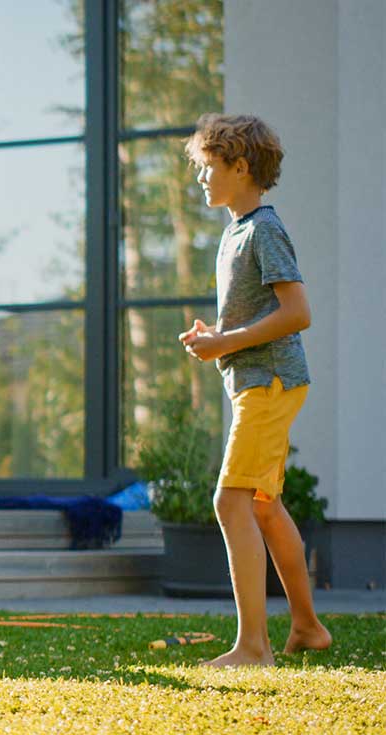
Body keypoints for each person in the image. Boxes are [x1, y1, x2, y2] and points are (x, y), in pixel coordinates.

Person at [177, 112, 331, 667]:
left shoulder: (265, 228)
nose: (200, 179)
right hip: (257, 379)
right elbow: (263, 312)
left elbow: (297, 312)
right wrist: (219, 337)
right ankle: (308, 628)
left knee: (230, 501)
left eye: (208, 168)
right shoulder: (237, 230)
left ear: (240, 167)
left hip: (270, 381)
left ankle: (253, 647)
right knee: (264, 507)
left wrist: (229, 342)